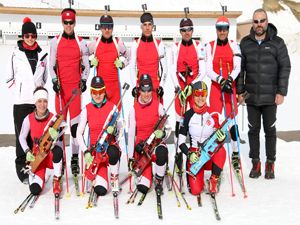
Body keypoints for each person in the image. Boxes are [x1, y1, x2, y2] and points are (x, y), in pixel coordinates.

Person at [237, 8, 291, 179]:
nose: (259, 24)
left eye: (262, 21)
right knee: (253, 131)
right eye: (256, 21)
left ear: (267, 22)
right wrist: (240, 91)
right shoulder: (245, 43)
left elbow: (285, 67)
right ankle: (255, 163)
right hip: (251, 96)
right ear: (252, 23)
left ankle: (270, 163)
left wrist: (281, 92)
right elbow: (240, 69)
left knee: (270, 131)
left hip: (270, 97)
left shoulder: (278, 43)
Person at [6, 17, 48, 184]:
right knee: (21, 137)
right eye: (27, 35)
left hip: (38, 103)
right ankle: (23, 171)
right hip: (21, 103)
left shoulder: (42, 54)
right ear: (22, 36)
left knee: (36, 137)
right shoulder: (15, 54)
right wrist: (23, 87)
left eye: (33, 35)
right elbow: (10, 78)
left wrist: (36, 90)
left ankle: (36, 167)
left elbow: (43, 79)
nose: (30, 38)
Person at [49, 8, 90, 177]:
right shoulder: (55, 42)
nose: (68, 25)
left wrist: (84, 80)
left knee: (74, 128)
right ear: (62, 23)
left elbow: (86, 66)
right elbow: (52, 66)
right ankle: (61, 158)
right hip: (61, 92)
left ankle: (74, 158)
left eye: (71, 22)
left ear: (75, 23)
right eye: (65, 23)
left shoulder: (81, 42)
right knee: (59, 127)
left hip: (74, 93)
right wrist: (54, 81)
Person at [205, 15, 242, 170]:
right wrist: (221, 80)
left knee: (232, 121)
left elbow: (237, 67)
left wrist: (229, 80)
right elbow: (208, 69)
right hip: (216, 87)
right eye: (219, 29)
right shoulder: (210, 46)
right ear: (216, 30)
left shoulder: (234, 45)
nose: (222, 32)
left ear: (228, 29)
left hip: (230, 88)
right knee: (215, 122)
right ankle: (214, 152)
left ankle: (235, 152)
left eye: (224, 29)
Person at [171, 16, 206, 181]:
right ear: (180, 32)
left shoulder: (199, 46)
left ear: (193, 31)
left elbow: (203, 70)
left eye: (189, 29)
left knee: (192, 122)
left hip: (193, 91)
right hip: (180, 91)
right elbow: (171, 69)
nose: (186, 33)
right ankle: (178, 154)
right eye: (183, 30)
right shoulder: (175, 47)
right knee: (179, 124)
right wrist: (178, 88)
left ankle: (193, 154)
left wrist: (192, 87)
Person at [178, 81, 226, 194]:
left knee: (221, 151)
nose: (200, 98)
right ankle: (196, 175)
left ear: (206, 95)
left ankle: (214, 179)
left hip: (209, 153)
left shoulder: (213, 113)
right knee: (195, 191)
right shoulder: (187, 115)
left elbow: (221, 136)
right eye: (197, 94)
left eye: (203, 94)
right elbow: (180, 142)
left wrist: (222, 137)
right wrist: (189, 154)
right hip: (195, 155)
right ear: (193, 96)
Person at [77, 76, 122, 196]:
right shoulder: (86, 109)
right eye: (95, 92)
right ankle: (99, 178)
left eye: (101, 92)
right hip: (95, 153)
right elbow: (78, 134)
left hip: (108, 150)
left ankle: (114, 177)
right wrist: (85, 151)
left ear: (104, 91)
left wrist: (115, 130)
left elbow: (119, 134)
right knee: (101, 191)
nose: (98, 95)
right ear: (91, 92)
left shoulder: (112, 107)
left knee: (113, 151)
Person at [127, 74, 171, 195]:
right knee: (143, 188)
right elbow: (131, 135)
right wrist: (131, 156)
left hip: (155, 144)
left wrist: (162, 134)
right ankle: (147, 173)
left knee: (162, 152)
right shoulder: (133, 109)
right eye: (143, 91)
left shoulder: (158, 106)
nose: (146, 94)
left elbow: (168, 127)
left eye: (149, 91)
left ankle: (158, 179)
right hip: (141, 148)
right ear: (139, 90)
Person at [19, 87, 63, 196]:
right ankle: (41, 176)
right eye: (39, 101)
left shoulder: (54, 118)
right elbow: (21, 137)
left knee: (58, 151)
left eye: (45, 101)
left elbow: (61, 138)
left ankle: (56, 178)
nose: (42, 104)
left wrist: (56, 137)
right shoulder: (28, 118)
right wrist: (28, 151)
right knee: (35, 190)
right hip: (37, 157)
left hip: (50, 155)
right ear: (35, 102)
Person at [88, 13, 129, 109]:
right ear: (100, 28)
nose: (107, 30)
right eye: (104, 27)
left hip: (114, 87)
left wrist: (123, 64)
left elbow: (130, 57)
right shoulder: (95, 43)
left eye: (109, 27)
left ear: (113, 28)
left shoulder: (118, 43)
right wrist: (90, 63)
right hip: (100, 88)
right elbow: (83, 55)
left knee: (115, 116)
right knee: (101, 117)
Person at [129, 11, 167, 101]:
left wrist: (161, 86)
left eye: (150, 24)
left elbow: (165, 69)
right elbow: (131, 67)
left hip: (155, 89)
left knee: (158, 115)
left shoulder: (159, 44)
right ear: (141, 27)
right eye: (145, 25)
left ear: (153, 26)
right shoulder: (135, 44)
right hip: (141, 89)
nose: (147, 28)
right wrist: (135, 86)